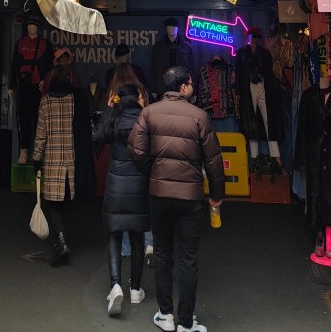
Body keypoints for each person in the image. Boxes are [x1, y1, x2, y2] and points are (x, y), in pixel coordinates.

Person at [128, 66, 224, 332]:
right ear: (183, 87)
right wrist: (217, 196)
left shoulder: (149, 112)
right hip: (190, 197)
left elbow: (135, 149)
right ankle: (185, 322)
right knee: (188, 258)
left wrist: (154, 172)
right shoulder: (200, 116)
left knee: (162, 253)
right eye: (191, 83)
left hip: (159, 196)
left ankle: (165, 315)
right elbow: (214, 161)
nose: (192, 87)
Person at [93, 83, 150, 317]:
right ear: (137, 97)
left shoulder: (114, 118)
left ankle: (115, 285)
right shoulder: (145, 119)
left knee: (114, 235)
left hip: (116, 186)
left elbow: (96, 136)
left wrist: (108, 110)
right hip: (139, 186)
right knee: (137, 237)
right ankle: (135, 289)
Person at [32, 54, 94, 267]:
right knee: (67, 202)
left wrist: (36, 159)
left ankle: (61, 240)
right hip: (71, 160)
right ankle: (64, 239)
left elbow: (41, 135)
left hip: (52, 161)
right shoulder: (75, 100)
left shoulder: (45, 102)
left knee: (53, 204)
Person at [234, 26, 283, 171]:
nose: (255, 39)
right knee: (251, 121)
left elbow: (269, 73)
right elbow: (238, 73)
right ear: (248, 36)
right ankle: (254, 158)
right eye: (252, 36)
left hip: (262, 86)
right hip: (248, 87)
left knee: (269, 121)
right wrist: (238, 92)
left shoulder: (265, 53)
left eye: (257, 36)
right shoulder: (242, 53)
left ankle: (276, 156)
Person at [8, 15, 53, 165]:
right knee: (22, 118)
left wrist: (45, 79)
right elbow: (14, 65)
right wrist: (11, 85)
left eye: (33, 25)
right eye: (29, 25)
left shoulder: (44, 44)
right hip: (23, 84)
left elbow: (49, 64)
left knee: (38, 118)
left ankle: (37, 151)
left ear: (37, 27)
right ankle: (23, 150)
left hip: (38, 86)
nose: (31, 27)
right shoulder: (20, 43)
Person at [151, 18, 194, 98]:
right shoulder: (158, 47)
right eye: (169, 27)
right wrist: (154, 88)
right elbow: (154, 68)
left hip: (182, 87)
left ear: (178, 29)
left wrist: (192, 90)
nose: (171, 29)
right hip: (163, 87)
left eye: (174, 27)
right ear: (166, 28)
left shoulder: (186, 47)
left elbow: (191, 68)